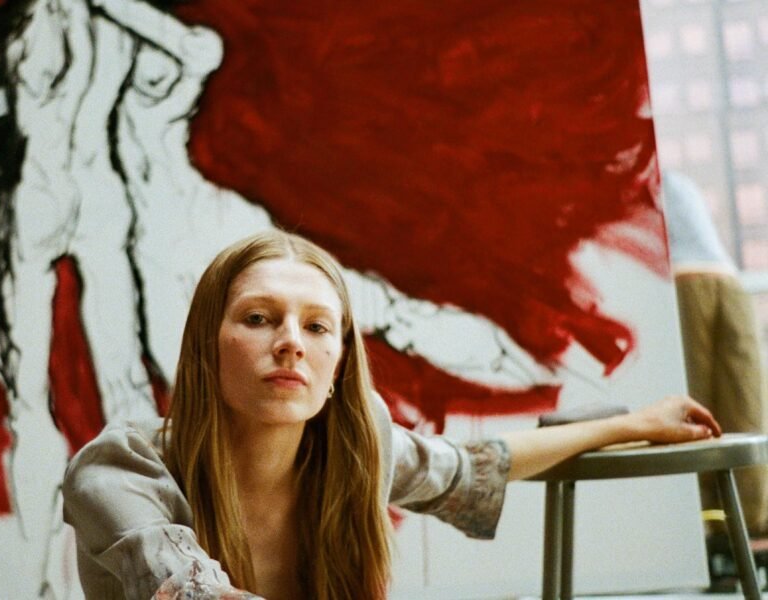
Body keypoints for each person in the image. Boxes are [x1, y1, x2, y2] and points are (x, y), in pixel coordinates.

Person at [62, 230, 721, 599]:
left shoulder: (355, 448)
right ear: (207, 348)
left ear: (338, 367)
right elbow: (184, 588)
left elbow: (467, 469)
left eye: (317, 326)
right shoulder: (121, 468)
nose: (291, 342)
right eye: (259, 318)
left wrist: (629, 425)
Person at [663, 169, 768, 538]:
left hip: (697, 282)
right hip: (720, 281)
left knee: (708, 410)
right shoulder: (676, 181)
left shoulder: (662, 179)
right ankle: (738, 523)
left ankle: (733, 525)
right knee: (739, 407)